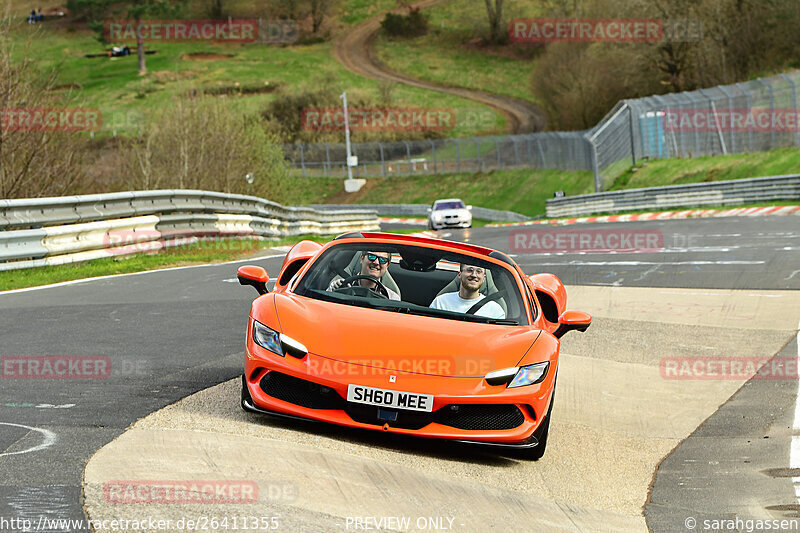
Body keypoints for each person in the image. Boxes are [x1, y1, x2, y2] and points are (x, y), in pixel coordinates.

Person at [429, 264, 505, 318]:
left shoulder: (495, 310)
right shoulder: (441, 302)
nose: (474, 275)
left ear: (484, 278)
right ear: (459, 274)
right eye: (470, 270)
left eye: (479, 271)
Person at [328, 251, 400, 301]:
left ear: (387, 265)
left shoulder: (392, 298)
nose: (376, 262)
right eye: (371, 256)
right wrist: (333, 290)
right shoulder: (340, 286)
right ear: (362, 259)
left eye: (382, 260)